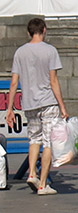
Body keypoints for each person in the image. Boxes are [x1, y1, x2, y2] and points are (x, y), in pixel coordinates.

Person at [4, 17, 68, 195]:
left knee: (34, 139)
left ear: (28, 32)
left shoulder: (20, 52)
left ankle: (31, 173)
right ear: (44, 30)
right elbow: (53, 81)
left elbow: (14, 82)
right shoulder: (50, 51)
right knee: (47, 142)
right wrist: (62, 106)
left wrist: (10, 108)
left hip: (29, 103)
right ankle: (42, 184)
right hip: (48, 102)